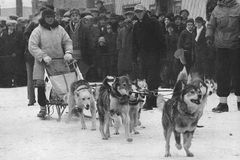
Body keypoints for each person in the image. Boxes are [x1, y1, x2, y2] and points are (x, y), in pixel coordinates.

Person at [28, 9, 73, 118]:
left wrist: (68, 52)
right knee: (42, 84)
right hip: (43, 63)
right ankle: (43, 108)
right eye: (48, 17)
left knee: (65, 83)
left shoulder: (60, 29)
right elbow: (32, 46)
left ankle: (72, 105)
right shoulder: (37, 31)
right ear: (44, 18)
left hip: (59, 61)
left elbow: (67, 41)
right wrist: (43, 56)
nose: (50, 19)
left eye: (52, 16)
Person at [206, 0, 240, 112]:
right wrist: (209, 36)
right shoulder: (217, 9)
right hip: (221, 47)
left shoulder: (238, 7)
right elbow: (211, 25)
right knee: (221, 74)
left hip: (236, 46)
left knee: (238, 74)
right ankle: (223, 103)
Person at [132, 4, 165, 110]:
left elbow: (161, 39)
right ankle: (153, 100)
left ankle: (150, 101)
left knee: (153, 79)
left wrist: (161, 55)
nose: (138, 14)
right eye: (136, 12)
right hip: (143, 55)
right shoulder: (136, 25)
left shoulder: (153, 22)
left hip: (154, 54)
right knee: (146, 78)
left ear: (145, 12)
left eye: (140, 12)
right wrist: (134, 55)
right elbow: (135, 43)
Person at [65, 9, 90, 79]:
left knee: (82, 73)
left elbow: (89, 42)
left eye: (77, 16)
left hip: (82, 54)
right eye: (73, 16)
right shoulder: (67, 28)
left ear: (80, 17)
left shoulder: (85, 28)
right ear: (70, 18)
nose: (75, 17)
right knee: (72, 74)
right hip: (71, 54)